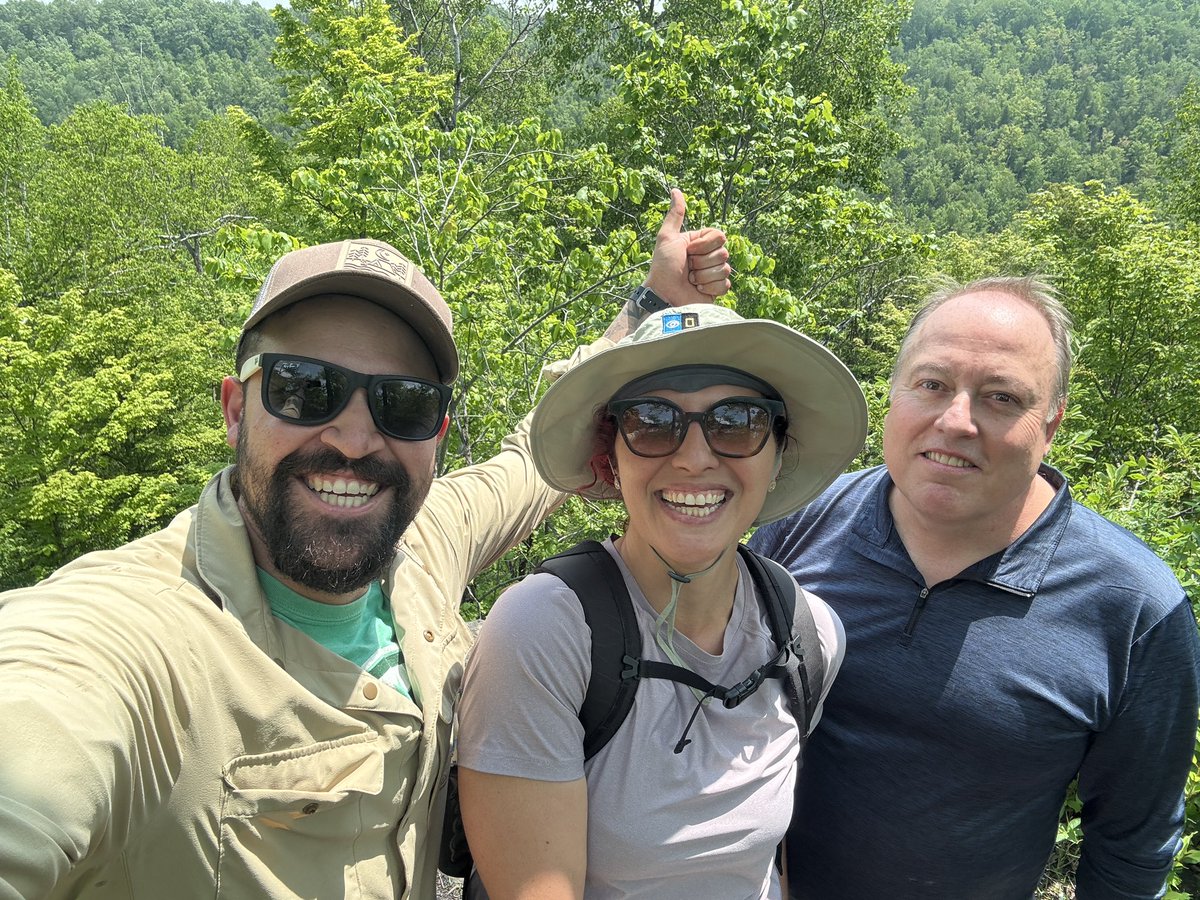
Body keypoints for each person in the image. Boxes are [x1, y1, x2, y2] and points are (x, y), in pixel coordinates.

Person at [0, 191, 730, 900]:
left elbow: (528, 462)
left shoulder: (420, 550)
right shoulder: (131, 639)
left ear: (437, 434)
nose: (353, 439)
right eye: (305, 388)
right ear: (234, 408)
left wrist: (649, 310)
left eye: (403, 403)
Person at [749, 276, 1200, 899]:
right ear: (893, 393)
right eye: (931, 385)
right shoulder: (792, 524)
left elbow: (1132, 845)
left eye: (1001, 398)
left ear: (1051, 423)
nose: (955, 421)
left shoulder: (1135, 609)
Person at [455, 302, 869, 899]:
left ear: (778, 453)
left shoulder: (806, 636)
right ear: (612, 460)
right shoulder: (547, 630)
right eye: (652, 422)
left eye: (737, 422)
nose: (695, 457)